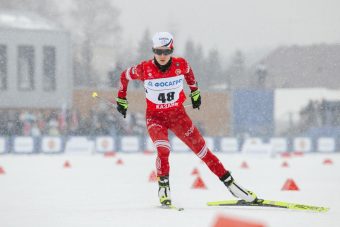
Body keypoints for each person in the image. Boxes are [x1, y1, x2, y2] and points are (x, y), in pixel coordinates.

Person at [115, 32, 257, 206]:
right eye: (158, 51)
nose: (162, 56)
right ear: (153, 51)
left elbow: (189, 74)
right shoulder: (144, 68)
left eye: (166, 52)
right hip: (155, 118)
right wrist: (122, 99)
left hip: (178, 117)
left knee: (204, 152)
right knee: (163, 149)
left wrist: (195, 92)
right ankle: (164, 187)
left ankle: (232, 185)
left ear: (171, 51)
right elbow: (124, 76)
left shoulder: (180, 65)